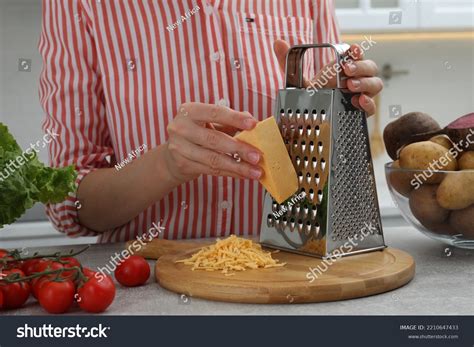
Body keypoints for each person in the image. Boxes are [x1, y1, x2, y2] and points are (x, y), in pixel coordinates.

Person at [39, 0, 383, 242]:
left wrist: (336, 113)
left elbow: (332, 178)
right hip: (149, 290)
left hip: (288, 272)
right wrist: (167, 165)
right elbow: (70, 200)